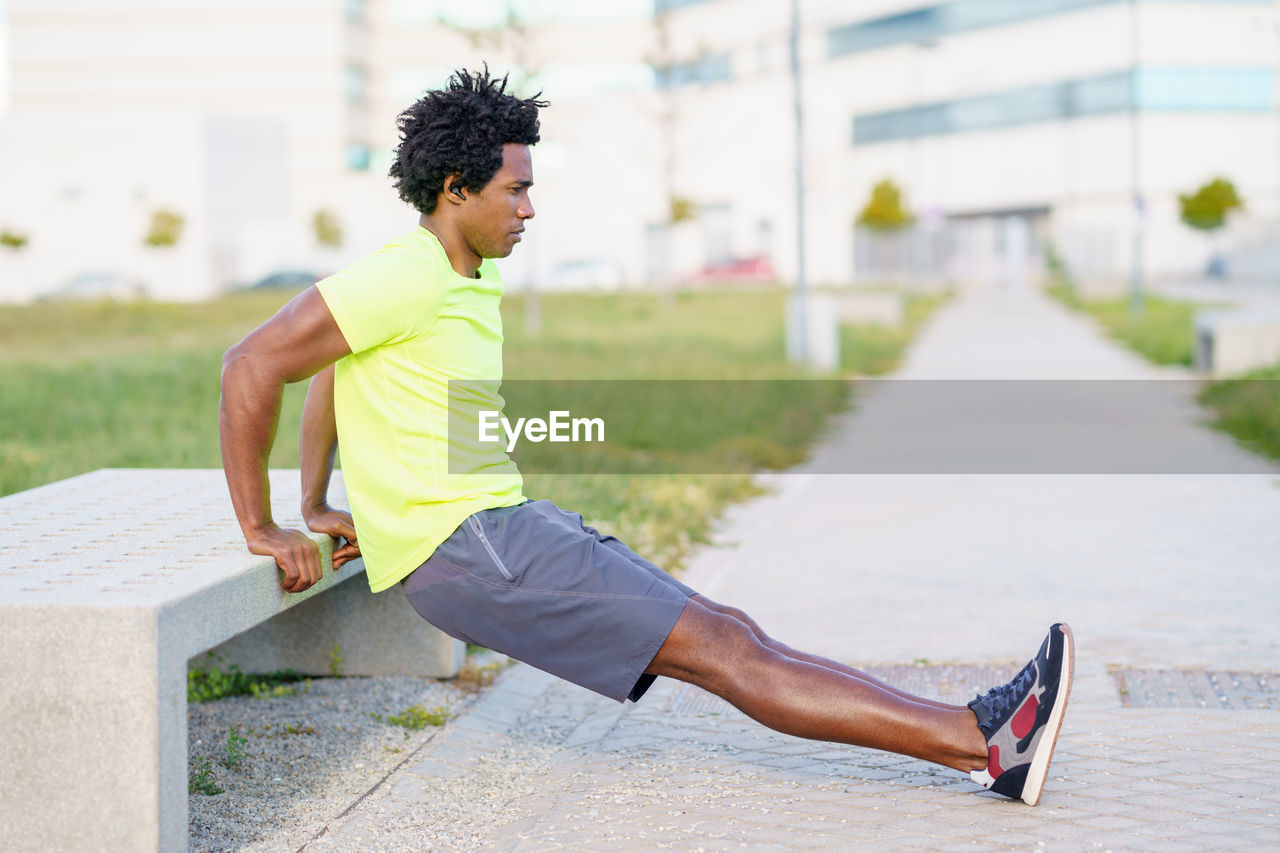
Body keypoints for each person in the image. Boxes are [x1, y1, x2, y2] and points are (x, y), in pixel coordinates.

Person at [219, 67, 1073, 806]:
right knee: (728, 654)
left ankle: (979, 731)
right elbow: (251, 364)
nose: (530, 207)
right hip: (472, 548)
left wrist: (317, 499)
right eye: (514, 189)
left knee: (731, 630)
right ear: (455, 189)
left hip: (498, 525)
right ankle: (980, 741)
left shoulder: (447, 276)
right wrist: (265, 524)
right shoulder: (407, 274)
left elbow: (331, 366)